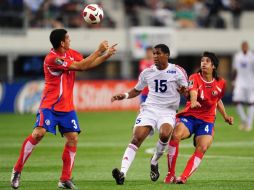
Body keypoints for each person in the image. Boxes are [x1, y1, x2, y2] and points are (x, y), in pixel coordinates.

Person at [10, 28, 117, 189]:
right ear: (61, 42)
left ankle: (64, 179)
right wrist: (98, 50)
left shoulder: (71, 53)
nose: (70, 40)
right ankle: (17, 170)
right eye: (68, 38)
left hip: (67, 107)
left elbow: (86, 65)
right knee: (39, 133)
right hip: (50, 106)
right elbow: (80, 66)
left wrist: (105, 56)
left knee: (73, 137)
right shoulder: (53, 59)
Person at [111, 44, 188, 185]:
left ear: (167, 55)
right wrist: (125, 95)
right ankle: (122, 173)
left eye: (158, 53)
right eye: (154, 54)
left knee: (165, 134)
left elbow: (187, 92)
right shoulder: (147, 72)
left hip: (168, 110)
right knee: (136, 138)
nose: (155, 56)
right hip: (150, 109)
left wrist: (185, 92)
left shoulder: (177, 71)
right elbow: (137, 90)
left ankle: (154, 161)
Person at [164, 51, 234, 184]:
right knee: (176, 134)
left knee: (203, 146)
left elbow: (217, 100)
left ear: (213, 66)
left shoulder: (221, 83)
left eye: (207, 61)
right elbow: (193, 91)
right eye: (202, 61)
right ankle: (170, 174)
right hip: (190, 116)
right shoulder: (194, 77)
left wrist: (225, 116)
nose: (204, 63)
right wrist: (194, 100)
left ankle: (183, 177)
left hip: (207, 120)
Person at [232, 41, 254, 131]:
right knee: (236, 101)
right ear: (241, 47)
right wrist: (233, 81)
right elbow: (235, 69)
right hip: (239, 82)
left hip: (250, 82)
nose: (245, 47)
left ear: (248, 47)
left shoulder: (252, 56)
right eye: (243, 46)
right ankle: (244, 120)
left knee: (251, 103)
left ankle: (249, 124)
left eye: (246, 46)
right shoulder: (237, 56)